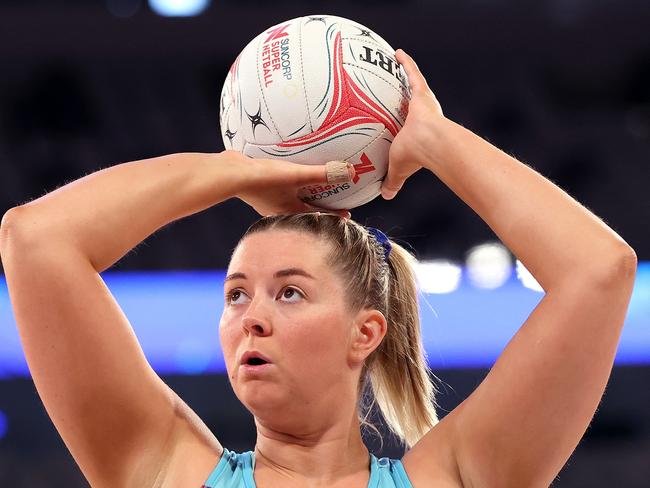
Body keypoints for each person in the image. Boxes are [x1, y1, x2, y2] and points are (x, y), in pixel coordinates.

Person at [0, 48, 637, 488]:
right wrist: (232, 170)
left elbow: (599, 270)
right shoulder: (164, 469)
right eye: (237, 294)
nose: (251, 319)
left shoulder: (460, 475)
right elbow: (34, 240)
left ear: (366, 331)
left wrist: (437, 140)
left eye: (291, 293)